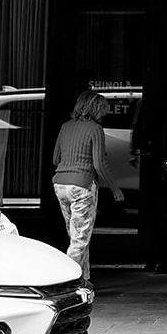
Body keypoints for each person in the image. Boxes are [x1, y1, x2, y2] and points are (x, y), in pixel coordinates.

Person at [51, 90, 126, 278]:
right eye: (103, 109)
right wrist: (115, 189)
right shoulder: (95, 129)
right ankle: (67, 281)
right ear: (96, 109)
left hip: (60, 184)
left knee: (76, 236)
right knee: (80, 241)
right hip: (82, 186)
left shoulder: (65, 126)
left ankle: (84, 279)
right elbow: (99, 163)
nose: (105, 114)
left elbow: (55, 159)